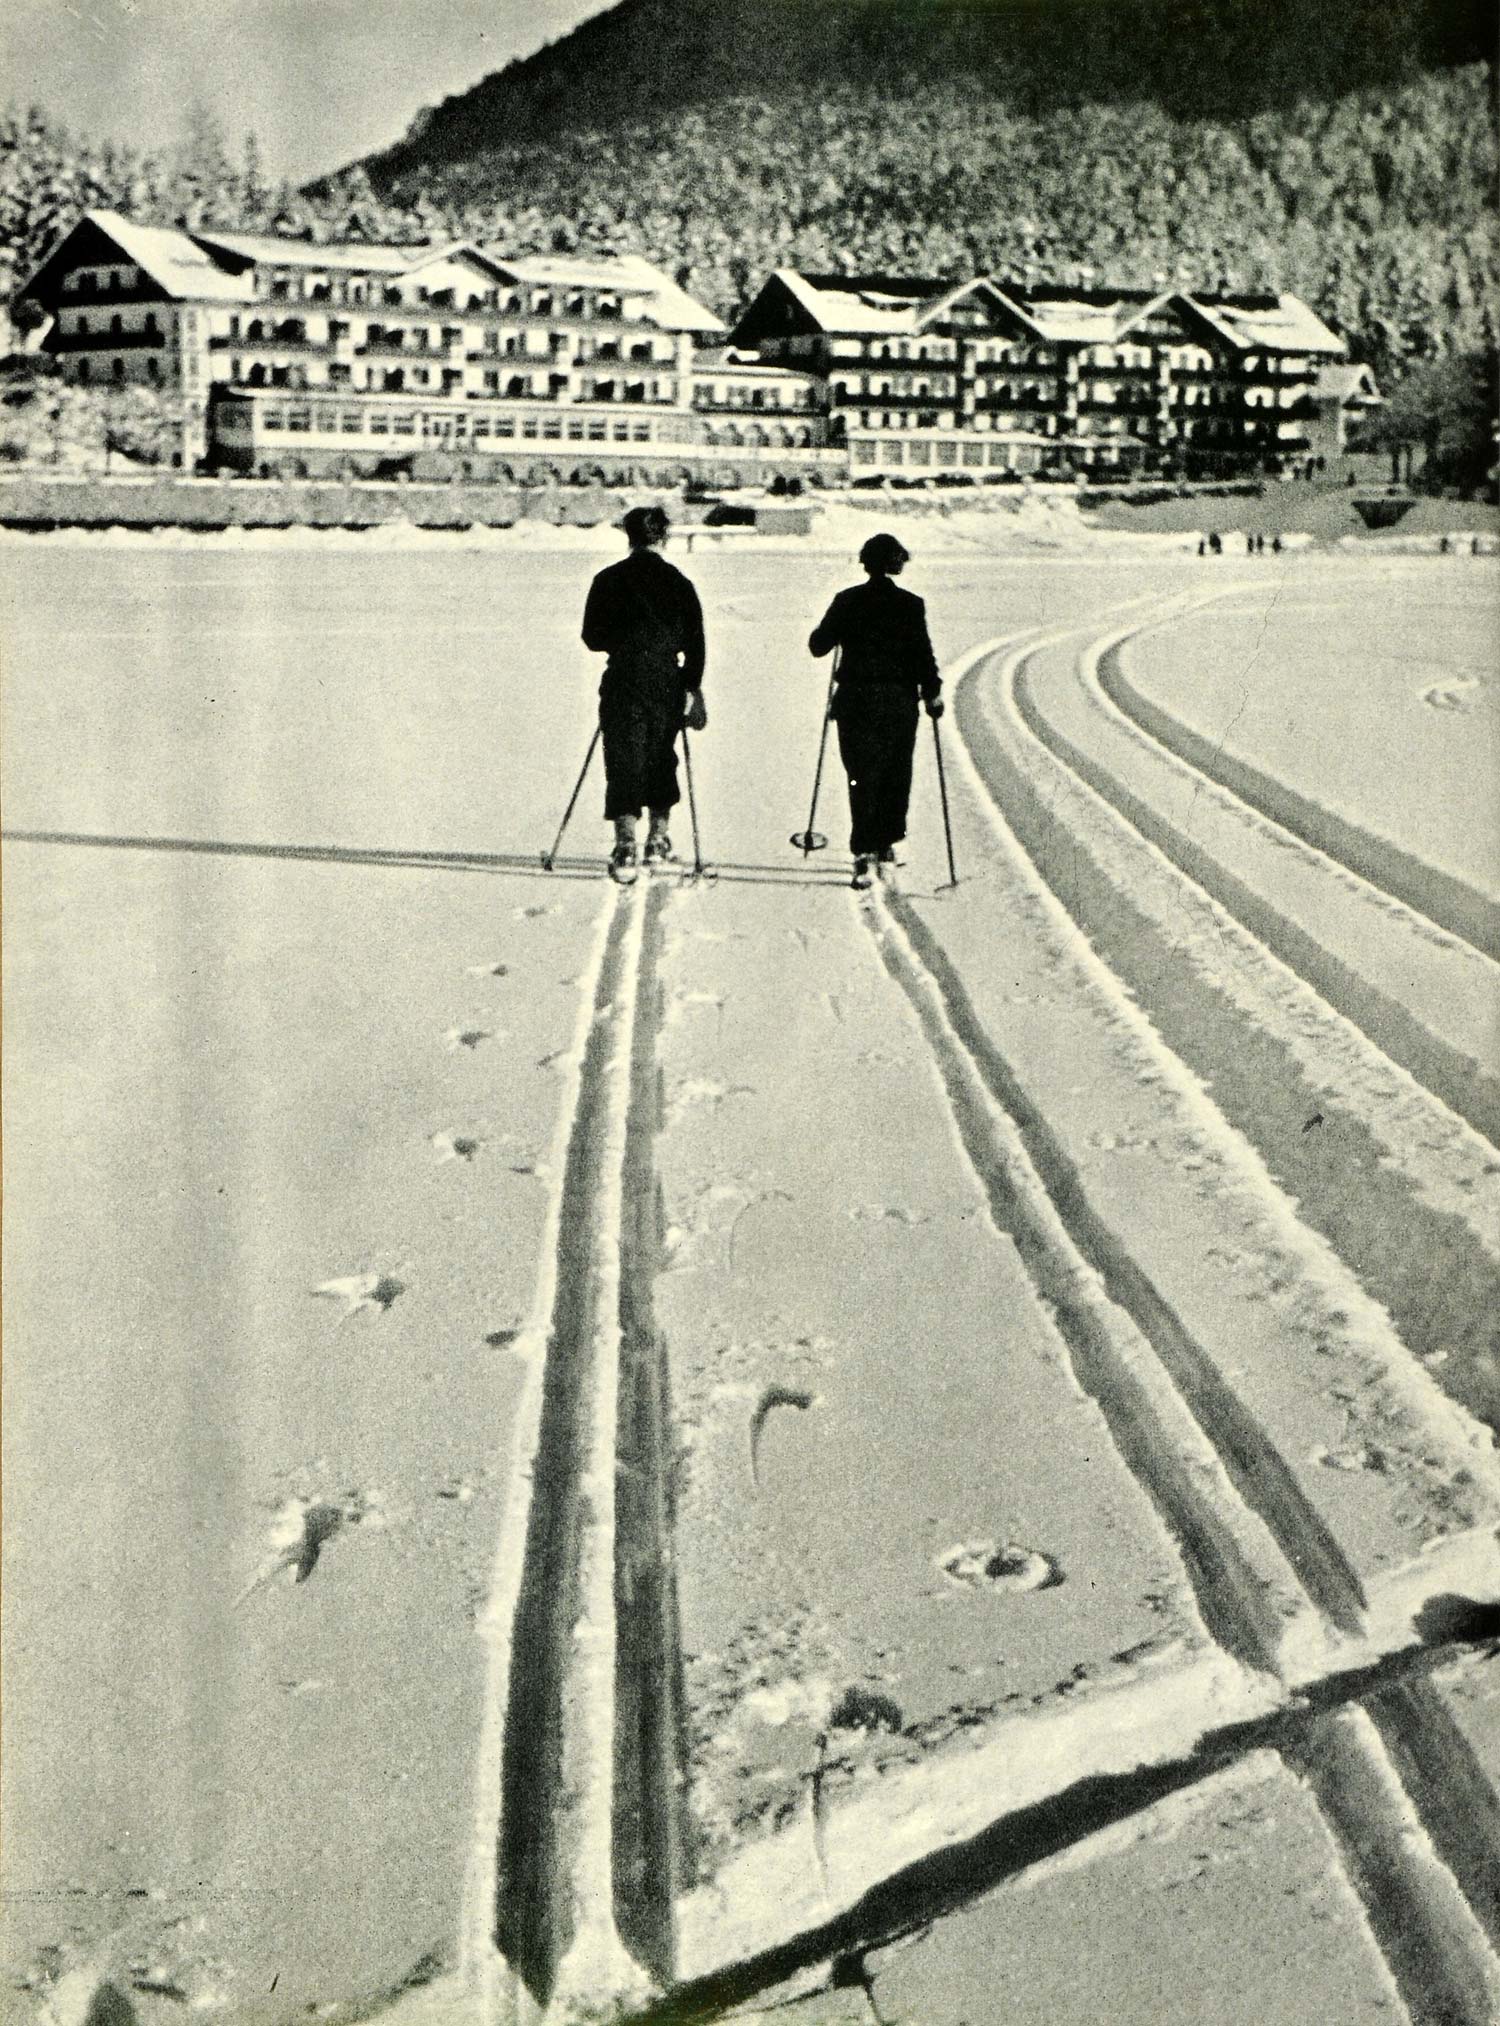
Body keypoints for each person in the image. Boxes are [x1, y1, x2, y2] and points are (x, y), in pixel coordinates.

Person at [582, 504, 706, 882]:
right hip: (666, 681)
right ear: (663, 537)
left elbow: (592, 637)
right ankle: (657, 839)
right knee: (660, 757)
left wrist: (625, 641)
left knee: (624, 757)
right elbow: (696, 644)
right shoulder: (680, 583)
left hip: (624, 678)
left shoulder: (608, 579)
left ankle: (625, 844)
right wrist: (691, 686)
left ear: (629, 536)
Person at [809, 531, 940, 889]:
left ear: (865, 563)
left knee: (861, 776)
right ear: (896, 563)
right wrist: (932, 693)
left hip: (856, 702)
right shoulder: (910, 605)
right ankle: (886, 844)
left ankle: (863, 852)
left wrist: (827, 632)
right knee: (896, 774)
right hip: (899, 703)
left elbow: (818, 646)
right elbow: (922, 654)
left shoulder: (847, 600)